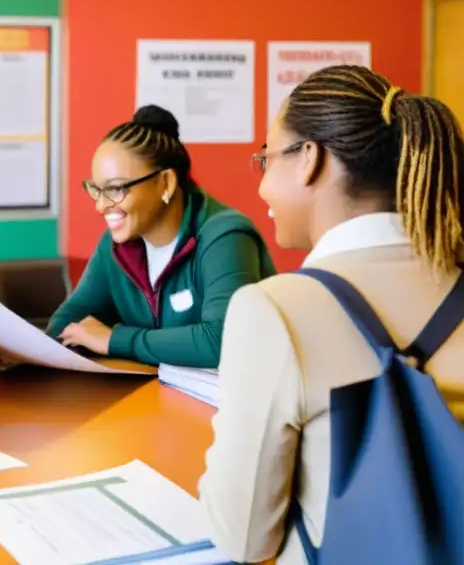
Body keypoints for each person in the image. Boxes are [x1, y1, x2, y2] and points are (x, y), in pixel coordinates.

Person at [199, 66, 464, 563]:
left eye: (266, 159)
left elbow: (245, 537)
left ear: (309, 161)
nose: (261, 189)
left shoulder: (274, 311)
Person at [0, 105, 275, 369]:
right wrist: (33, 353)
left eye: (115, 189)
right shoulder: (117, 244)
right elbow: (75, 316)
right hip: (159, 401)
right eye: (97, 190)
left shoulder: (225, 236)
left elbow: (222, 339)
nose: (101, 206)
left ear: (165, 182)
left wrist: (115, 340)